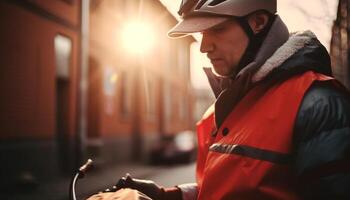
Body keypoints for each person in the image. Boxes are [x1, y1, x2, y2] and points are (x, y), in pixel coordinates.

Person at [88, 0, 350, 199]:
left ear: (258, 22)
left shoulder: (317, 102)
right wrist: (170, 195)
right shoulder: (221, 107)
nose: (203, 47)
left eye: (216, 29)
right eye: (200, 34)